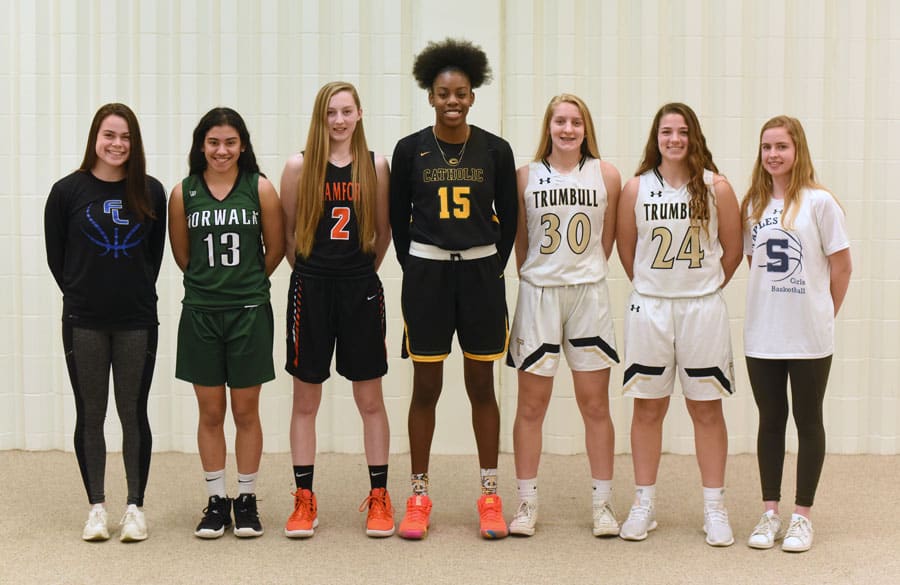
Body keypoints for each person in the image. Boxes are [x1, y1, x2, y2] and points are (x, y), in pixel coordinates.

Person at [389, 38, 518, 540]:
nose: (452, 101)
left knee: (481, 386)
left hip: (481, 276)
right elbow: (398, 220)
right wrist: (420, 265)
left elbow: (508, 220)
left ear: (473, 96)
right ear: (430, 96)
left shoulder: (495, 149)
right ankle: (419, 494)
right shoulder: (410, 150)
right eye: (443, 93)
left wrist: (489, 265)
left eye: (461, 93)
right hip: (428, 276)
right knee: (426, 387)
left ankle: (490, 494)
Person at [616, 102, 742, 546]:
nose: (674, 139)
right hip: (650, 309)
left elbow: (732, 250)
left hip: (701, 310)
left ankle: (714, 507)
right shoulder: (635, 188)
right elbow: (627, 251)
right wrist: (657, 287)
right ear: (656, 138)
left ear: (694, 136)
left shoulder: (716, 186)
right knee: (647, 408)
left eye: (682, 131)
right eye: (666, 131)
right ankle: (643, 503)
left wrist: (700, 286)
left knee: (706, 408)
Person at [44, 103, 166, 542]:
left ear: (135, 143)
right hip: (84, 320)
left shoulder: (150, 191)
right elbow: (57, 258)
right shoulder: (66, 192)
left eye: (126, 137)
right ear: (95, 137)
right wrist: (86, 293)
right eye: (109, 135)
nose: (117, 144)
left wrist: (126, 291)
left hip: (136, 319)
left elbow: (152, 257)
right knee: (91, 412)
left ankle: (135, 508)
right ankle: (96, 507)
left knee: (133, 412)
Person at [280, 82, 393, 539]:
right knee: (305, 401)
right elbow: (289, 235)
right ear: (320, 117)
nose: (339, 120)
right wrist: (318, 273)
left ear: (360, 114)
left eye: (347, 111)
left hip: (359, 287)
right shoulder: (299, 166)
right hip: (311, 287)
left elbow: (382, 231)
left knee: (370, 399)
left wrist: (357, 274)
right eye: (331, 112)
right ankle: (304, 498)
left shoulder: (376, 166)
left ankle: (380, 496)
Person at [506, 94, 622, 537]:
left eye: (575, 121)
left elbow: (606, 242)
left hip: (588, 295)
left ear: (586, 127)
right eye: (560, 121)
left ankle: (603, 504)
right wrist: (542, 275)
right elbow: (521, 241)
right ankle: (527, 502)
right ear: (548, 127)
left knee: (595, 404)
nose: (568, 129)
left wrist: (580, 272)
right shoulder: (526, 175)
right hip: (539, 295)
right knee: (531, 405)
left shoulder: (606, 175)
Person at [169, 107, 284, 539]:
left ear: (243, 145)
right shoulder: (183, 193)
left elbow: (274, 249)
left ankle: (247, 499)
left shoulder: (260, 188)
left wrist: (245, 285)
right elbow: (183, 256)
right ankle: (217, 499)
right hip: (201, 311)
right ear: (201, 145)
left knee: (246, 410)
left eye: (230, 142)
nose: (222, 150)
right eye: (214, 142)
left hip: (248, 312)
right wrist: (212, 287)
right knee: (211, 411)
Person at [741, 116, 851, 553]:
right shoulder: (753, 204)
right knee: (770, 421)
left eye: (781, 146)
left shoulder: (820, 203)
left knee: (808, 420)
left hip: (809, 338)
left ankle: (802, 516)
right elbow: (756, 266)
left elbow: (842, 267)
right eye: (766, 146)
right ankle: (770, 512)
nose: (773, 154)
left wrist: (823, 313)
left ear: (797, 149)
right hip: (763, 336)